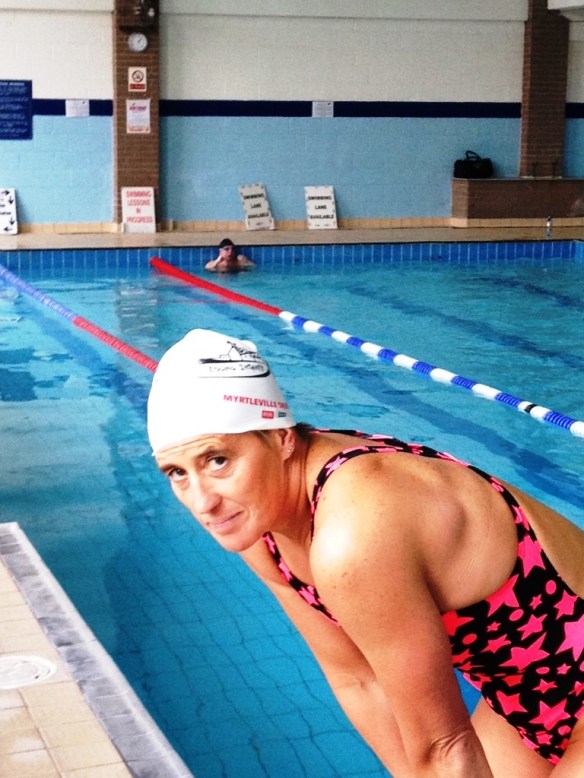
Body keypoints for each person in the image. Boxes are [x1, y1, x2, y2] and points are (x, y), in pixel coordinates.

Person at [147, 328, 584, 778]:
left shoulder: (354, 531)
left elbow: (443, 746)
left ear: (281, 439)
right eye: (177, 473)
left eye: (217, 461)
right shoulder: (258, 519)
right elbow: (359, 679)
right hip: (523, 706)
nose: (203, 502)